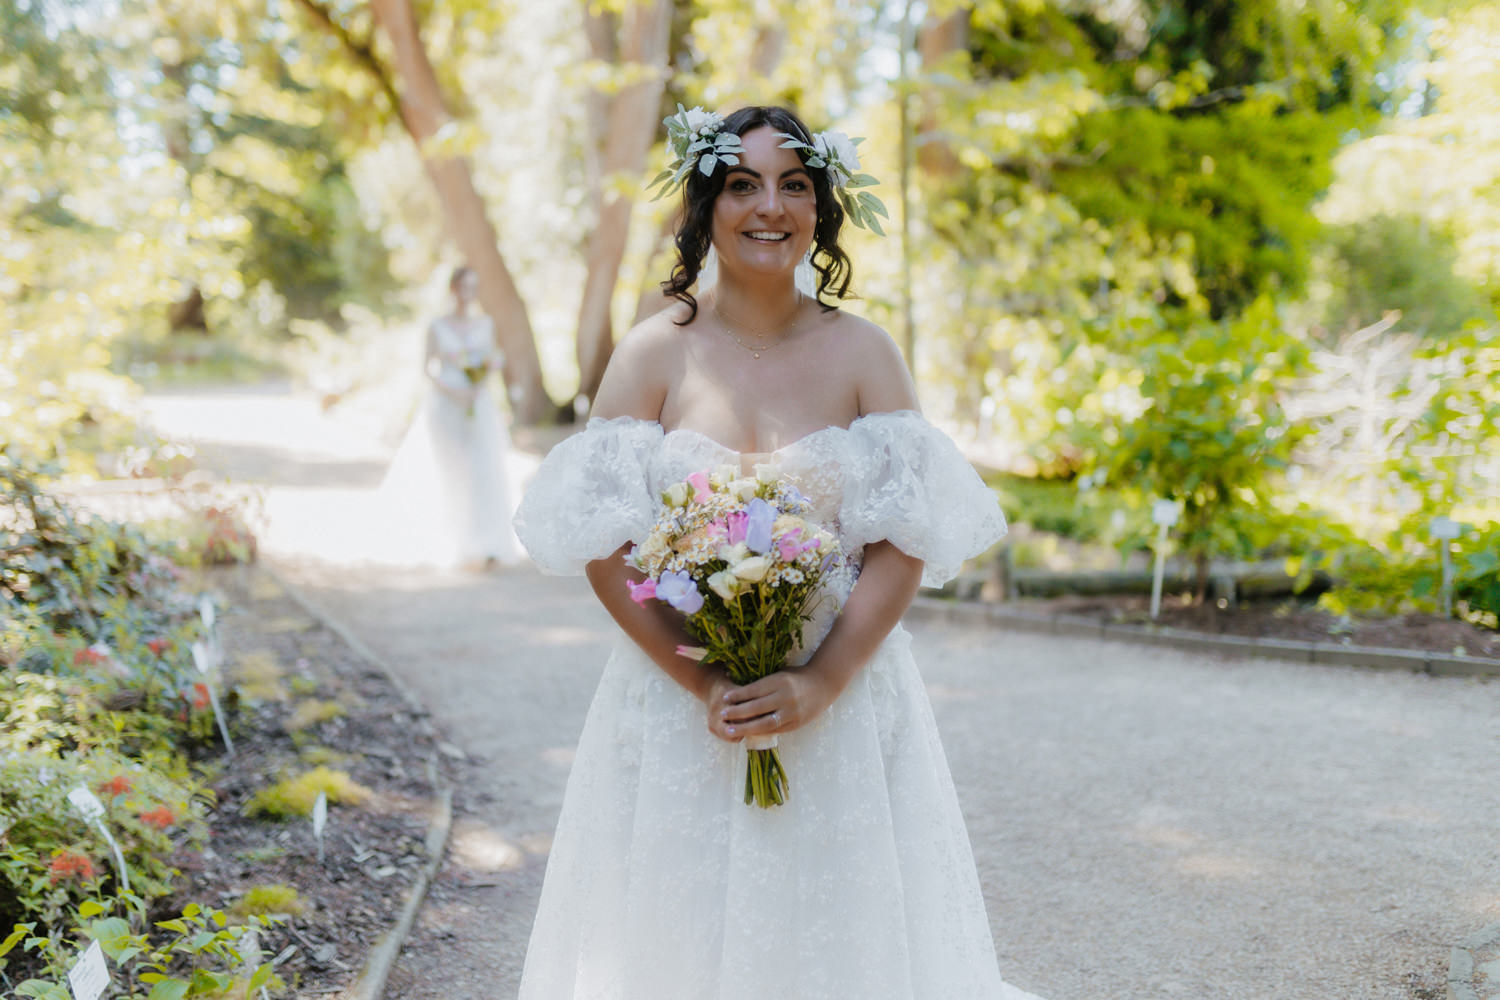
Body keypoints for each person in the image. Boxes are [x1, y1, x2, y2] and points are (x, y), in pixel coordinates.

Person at [513, 106, 1047, 999]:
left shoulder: (866, 353)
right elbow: (607, 550)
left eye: (794, 184)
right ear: (706, 204)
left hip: (843, 701)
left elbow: (903, 540)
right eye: (743, 184)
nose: (771, 206)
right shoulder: (652, 355)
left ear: (821, 208)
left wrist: (822, 680)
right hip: (681, 703)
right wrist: (707, 682)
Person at [376, 265, 522, 569]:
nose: (468, 294)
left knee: (484, 469)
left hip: (478, 404)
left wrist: (478, 385)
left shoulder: (485, 324)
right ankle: (454, 542)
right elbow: (426, 369)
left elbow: (493, 359)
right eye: (463, 287)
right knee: (452, 470)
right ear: (453, 289)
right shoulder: (437, 326)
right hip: (445, 405)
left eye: (473, 287)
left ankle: (488, 542)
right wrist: (452, 391)